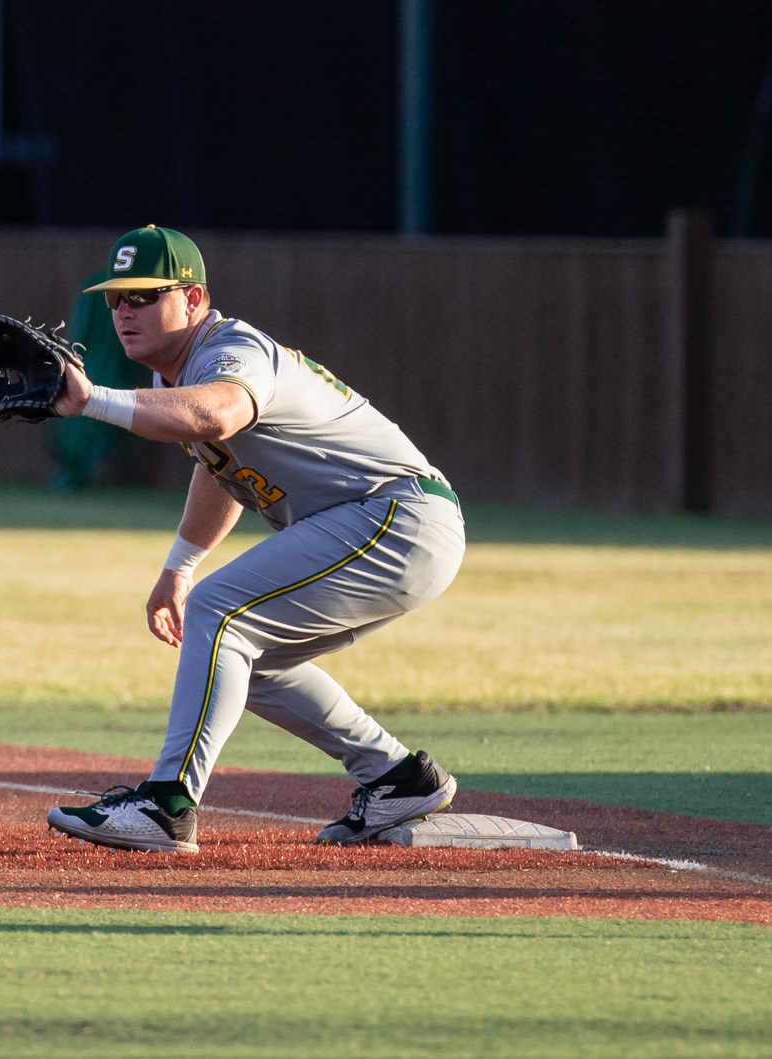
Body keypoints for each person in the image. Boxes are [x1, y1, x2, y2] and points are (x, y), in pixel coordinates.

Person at [44, 224, 465, 854]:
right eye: (115, 299)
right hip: (378, 524)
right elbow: (219, 468)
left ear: (193, 298)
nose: (124, 311)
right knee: (243, 656)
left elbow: (217, 417)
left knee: (221, 614)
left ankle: (166, 805)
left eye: (143, 295)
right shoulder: (174, 377)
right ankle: (398, 777)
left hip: (395, 514)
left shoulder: (231, 348)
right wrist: (179, 567)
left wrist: (95, 400)